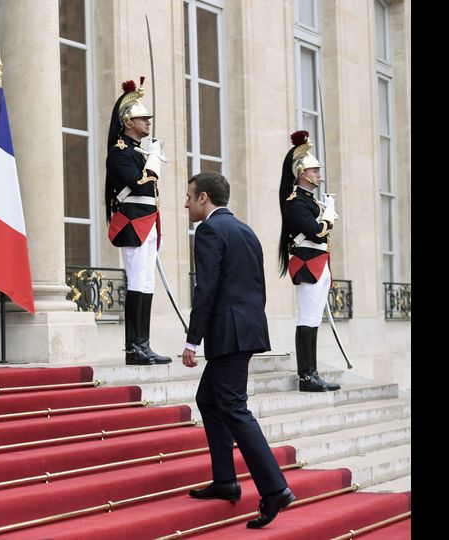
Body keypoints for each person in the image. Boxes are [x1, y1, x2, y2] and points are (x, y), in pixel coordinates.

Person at [181, 171, 294, 529]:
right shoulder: (246, 231)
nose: (185, 204)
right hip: (246, 329)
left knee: (233, 407)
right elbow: (257, 287)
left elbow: (206, 289)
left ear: (204, 198)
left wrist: (192, 340)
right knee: (208, 399)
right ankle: (225, 480)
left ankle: (275, 489)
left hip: (228, 334)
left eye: (189, 197)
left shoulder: (209, 230)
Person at [104, 79, 171, 365]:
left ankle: (144, 344)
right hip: (133, 224)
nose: (148, 123)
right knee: (136, 282)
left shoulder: (137, 152)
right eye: (143, 118)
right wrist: (153, 160)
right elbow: (140, 184)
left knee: (147, 282)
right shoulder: (120, 152)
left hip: (148, 223)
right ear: (128, 122)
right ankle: (133, 348)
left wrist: (150, 157)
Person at [277, 131, 341, 392]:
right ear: (302, 173)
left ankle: (312, 373)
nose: (319, 175)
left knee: (313, 319)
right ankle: (306, 376)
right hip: (307, 265)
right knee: (307, 318)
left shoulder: (310, 201)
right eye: (315, 171)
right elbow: (315, 232)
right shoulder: (295, 203)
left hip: (319, 263)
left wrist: (325, 210)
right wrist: (329, 214)